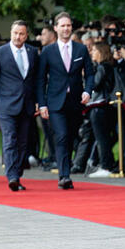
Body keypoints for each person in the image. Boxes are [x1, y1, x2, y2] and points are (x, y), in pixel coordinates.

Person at [37, 12, 94, 189]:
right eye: (62, 25)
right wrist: (42, 103)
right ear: (56, 28)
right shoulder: (48, 51)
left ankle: (65, 168)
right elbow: (40, 80)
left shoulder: (81, 49)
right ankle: (64, 175)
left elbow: (90, 73)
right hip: (55, 102)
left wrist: (87, 91)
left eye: (68, 25)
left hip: (75, 101)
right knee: (61, 136)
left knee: (69, 137)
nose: (66, 28)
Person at [0, 20, 39, 191]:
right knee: (10, 140)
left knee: (22, 142)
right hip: (6, 105)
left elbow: (35, 80)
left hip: (26, 104)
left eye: (21, 34)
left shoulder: (33, 52)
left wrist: (38, 102)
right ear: (11, 33)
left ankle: (17, 174)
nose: (18, 37)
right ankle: (12, 176)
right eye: (15, 33)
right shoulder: (0, 53)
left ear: (26, 35)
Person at [88, 42, 116, 178]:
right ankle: (105, 163)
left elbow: (95, 85)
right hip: (107, 105)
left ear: (101, 52)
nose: (92, 53)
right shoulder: (109, 66)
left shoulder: (101, 68)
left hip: (100, 105)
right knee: (104, 136)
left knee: (101, 137)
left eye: (94, 50)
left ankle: (105, 165)